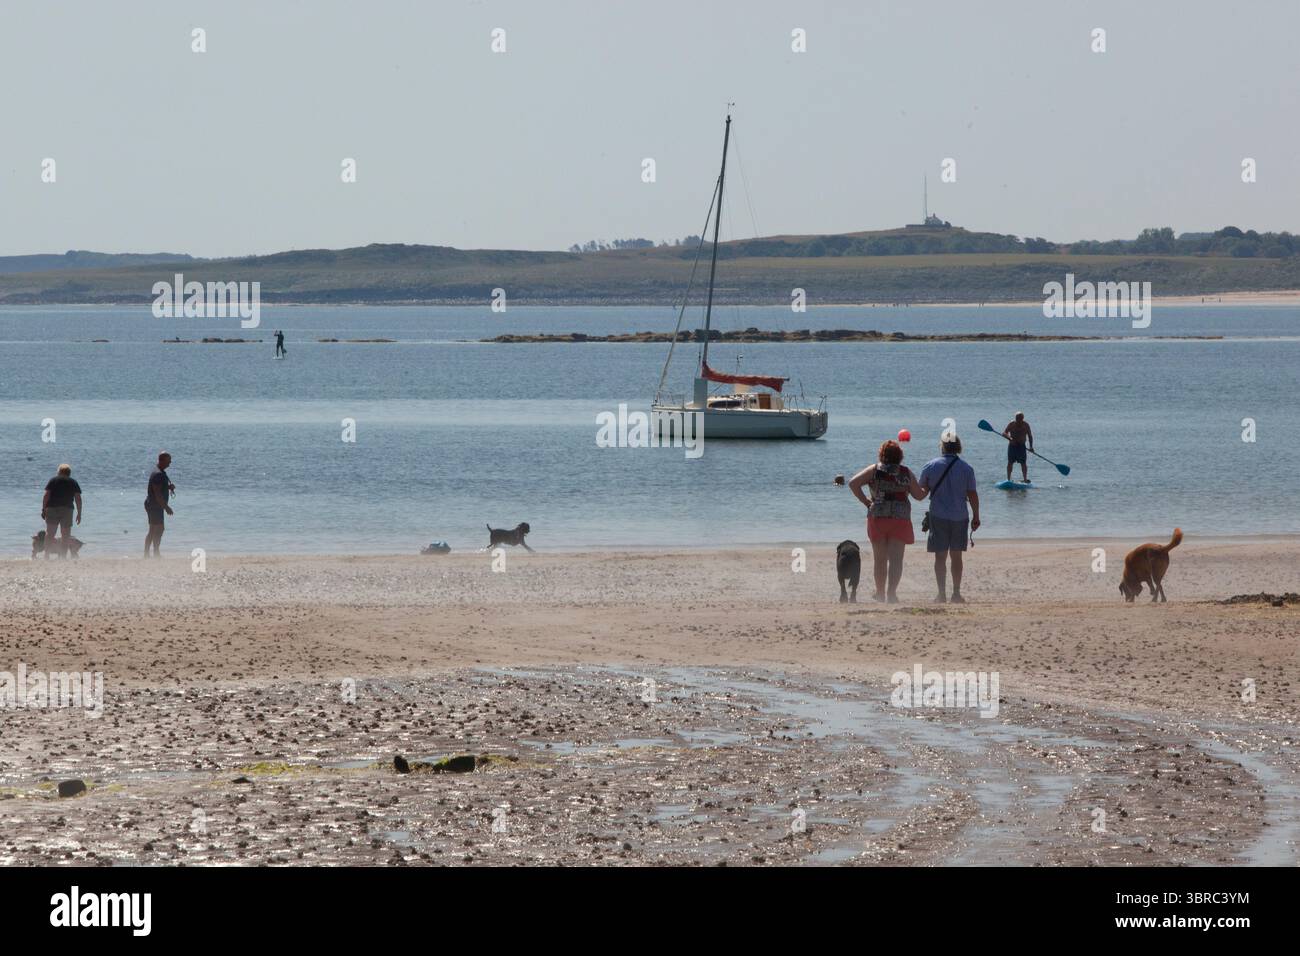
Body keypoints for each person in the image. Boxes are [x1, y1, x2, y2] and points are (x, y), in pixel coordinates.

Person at [848, 440, 927, 603]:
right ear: (900, 456)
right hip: (900, 519)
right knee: (896, 560)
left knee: (880, 559)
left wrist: (866, 501)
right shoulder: (905, 472)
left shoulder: (874, 470)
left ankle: (880, 593)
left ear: (882, 455)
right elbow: (919, 496)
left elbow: (853, 483)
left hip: (878, 517)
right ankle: (891, 594)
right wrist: (928, 487)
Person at [919, 431, 980, 603]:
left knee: (940, 557)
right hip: (960, 516)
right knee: (957, 556)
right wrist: (976, 516)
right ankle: (956, 593)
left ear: (942, 446)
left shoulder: (930, 465)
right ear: (958, 447)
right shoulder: (967, 468)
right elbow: (973, 494)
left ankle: (941, 593)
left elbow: (920, 490)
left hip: (938, 515)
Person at [41, 464, 82, 559]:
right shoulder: (73, 482)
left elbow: (46, 496)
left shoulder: (53, 481)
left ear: (59, 472)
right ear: (69, 473)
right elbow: (78, 499)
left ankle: (46, 555)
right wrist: (79, 513)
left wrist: (43, 509)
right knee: (65, 535)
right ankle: (63, 556)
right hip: (67, 510)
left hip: (52, 508)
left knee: (50, 533)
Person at [144, 452, 175, 558]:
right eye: (168, 461)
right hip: (154, 505)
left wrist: (168, 487)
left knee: (153, 530)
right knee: (158, 529)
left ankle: (148, 553)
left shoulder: (160, 472)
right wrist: (166, 507)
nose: (170, 463)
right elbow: (157, 494)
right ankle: (155, 552)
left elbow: (159, 488)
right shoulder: (158, 474)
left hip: (155, 505)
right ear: (161, 460)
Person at [1002, 412, 1033, 482]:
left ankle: (1025, 479)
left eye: (1019, 419)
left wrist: (1031, 447)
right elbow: (1004, 433)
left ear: (1022, 419)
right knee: (1010, 462)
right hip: (1012, 446)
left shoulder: (1026, 425)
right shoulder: (1012, 424)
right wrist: (1010, 439)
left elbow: (1030, 436)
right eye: (1017, 419)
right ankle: (1008, 479)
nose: (1018, 420)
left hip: (1022, 447)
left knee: (1023, 463)